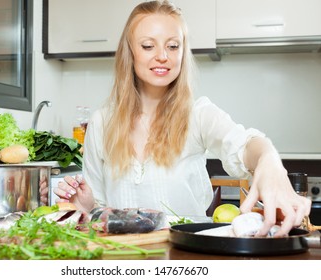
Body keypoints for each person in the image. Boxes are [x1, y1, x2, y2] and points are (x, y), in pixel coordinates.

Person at [51, 0, 311, 236]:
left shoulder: (198, 115)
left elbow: (247, 145)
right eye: (148, 45)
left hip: (185, 256)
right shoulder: (101, 122)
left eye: (173, 46)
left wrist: (269, 162)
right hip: (124, 258)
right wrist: (86, 206)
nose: (163, 55)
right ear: (130, 53)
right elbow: (100, 211)